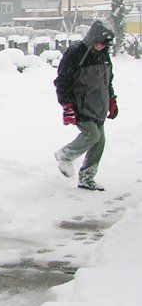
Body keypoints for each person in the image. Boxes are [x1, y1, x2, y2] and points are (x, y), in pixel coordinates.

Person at [53, 19, 118, 190]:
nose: (103, 47)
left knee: (99, 143)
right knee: (92, 135)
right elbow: (62, 81)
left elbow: (107, 80)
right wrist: (67, 106)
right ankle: (65, 155)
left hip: (99, 106)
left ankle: (87, 178)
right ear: (94, 38)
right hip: (80, 105)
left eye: (106, 45)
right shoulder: (76, 53)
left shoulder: (103, 54)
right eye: (101, 43)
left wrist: (111, 99)